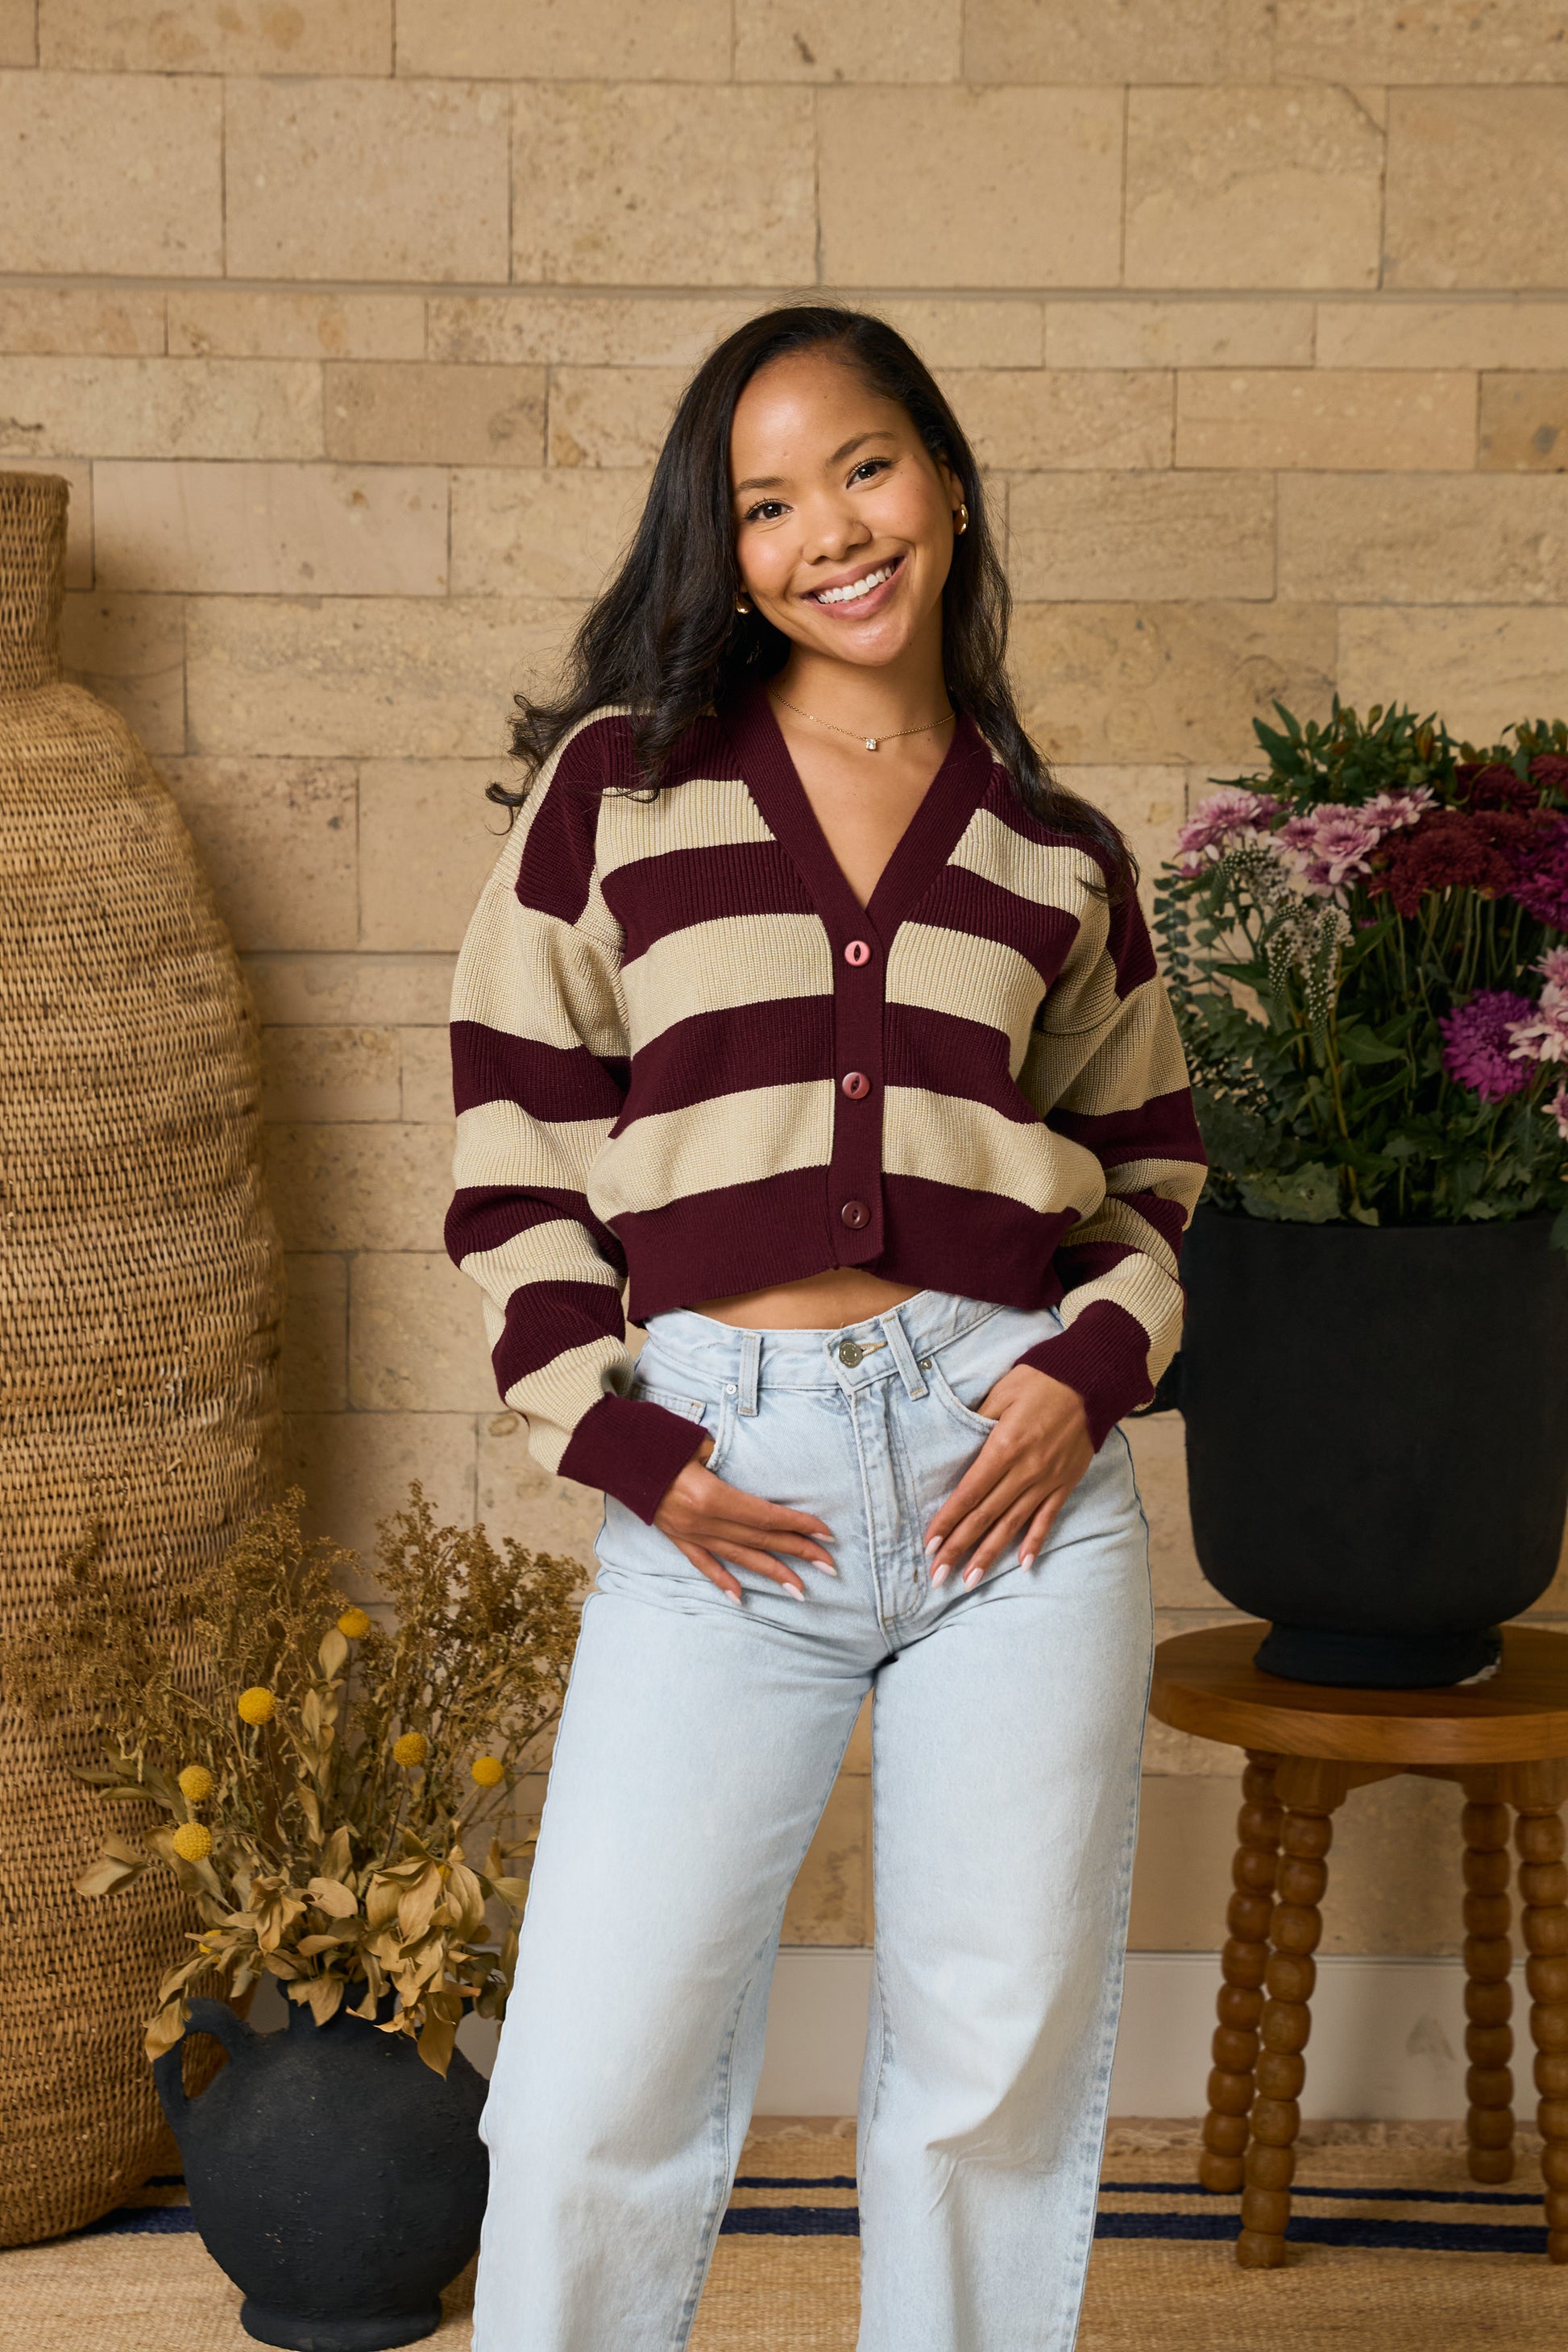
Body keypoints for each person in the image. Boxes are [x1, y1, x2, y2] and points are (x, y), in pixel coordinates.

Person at [445, 304, 1207, 2352]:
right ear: (725, 546)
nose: (828, 532)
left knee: (984, 2083)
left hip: (1009, 1487)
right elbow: (511, 1141)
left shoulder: (1059, 852)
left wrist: (1080, 1367)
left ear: (944, 483)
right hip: (722, 1474)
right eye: (763, 503)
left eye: (862, 468)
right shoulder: (619, 787)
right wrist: (625, 1444)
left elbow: (1153, 1181)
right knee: (597, 2067)